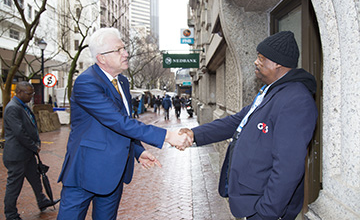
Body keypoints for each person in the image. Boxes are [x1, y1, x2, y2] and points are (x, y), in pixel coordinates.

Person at [180, 31, 318, 219]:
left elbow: (288, 167)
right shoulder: (271, 93)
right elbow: (236, 121)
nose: (256, 62)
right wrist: (194, 134)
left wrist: (266, 213)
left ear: (277, 63)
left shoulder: (296, 99)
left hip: (263, 208)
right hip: (251, 201)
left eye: (261, 58)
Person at [57, 28, 191, 220]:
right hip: (85, 171)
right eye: (118, 50)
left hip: (114, 173)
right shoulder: (86, 82)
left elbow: (123, 123)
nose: (126, 53)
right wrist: (167, 136)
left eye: (124, 48)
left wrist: (138, 151)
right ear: (101, 58)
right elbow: (118, 121)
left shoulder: (122, 82)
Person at [2, 81, 60, 220]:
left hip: (27, 153)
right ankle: (10, 214)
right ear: (19, 92)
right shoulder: (13, 108)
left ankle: (42, 201)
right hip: (17, 155)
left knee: (35, 178)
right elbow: (19, 133)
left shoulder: (23, 106)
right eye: (29, 94)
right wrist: (34, 146)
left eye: (32, 93)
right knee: (14, 186)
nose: (31, 96)